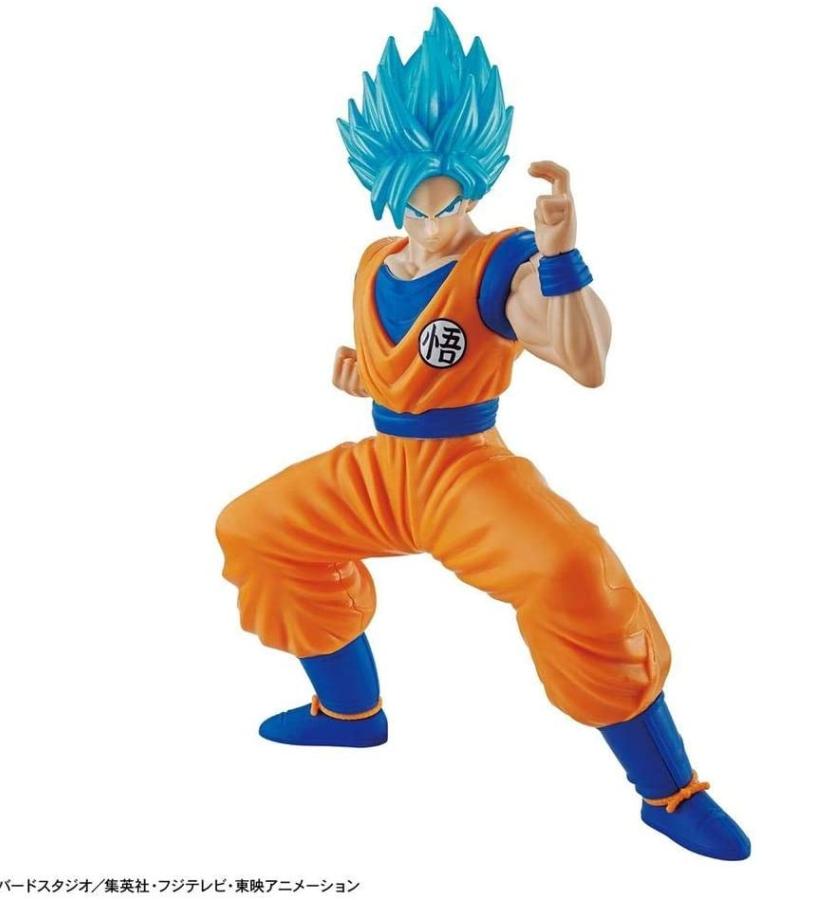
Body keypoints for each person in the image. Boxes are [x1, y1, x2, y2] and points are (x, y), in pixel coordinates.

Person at [215, 8, 750, 861]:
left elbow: (585, 362)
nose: (433, 223)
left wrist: (562, 255)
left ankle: (669, 790)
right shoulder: (375, 259)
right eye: (414, 204)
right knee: (255, 528)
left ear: (476, 181)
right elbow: (407, 363)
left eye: (450, 201)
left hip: (466, 473)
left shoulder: (504, 260)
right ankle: (349, 712)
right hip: (385, 468)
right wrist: (367, 378)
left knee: (572, 572)